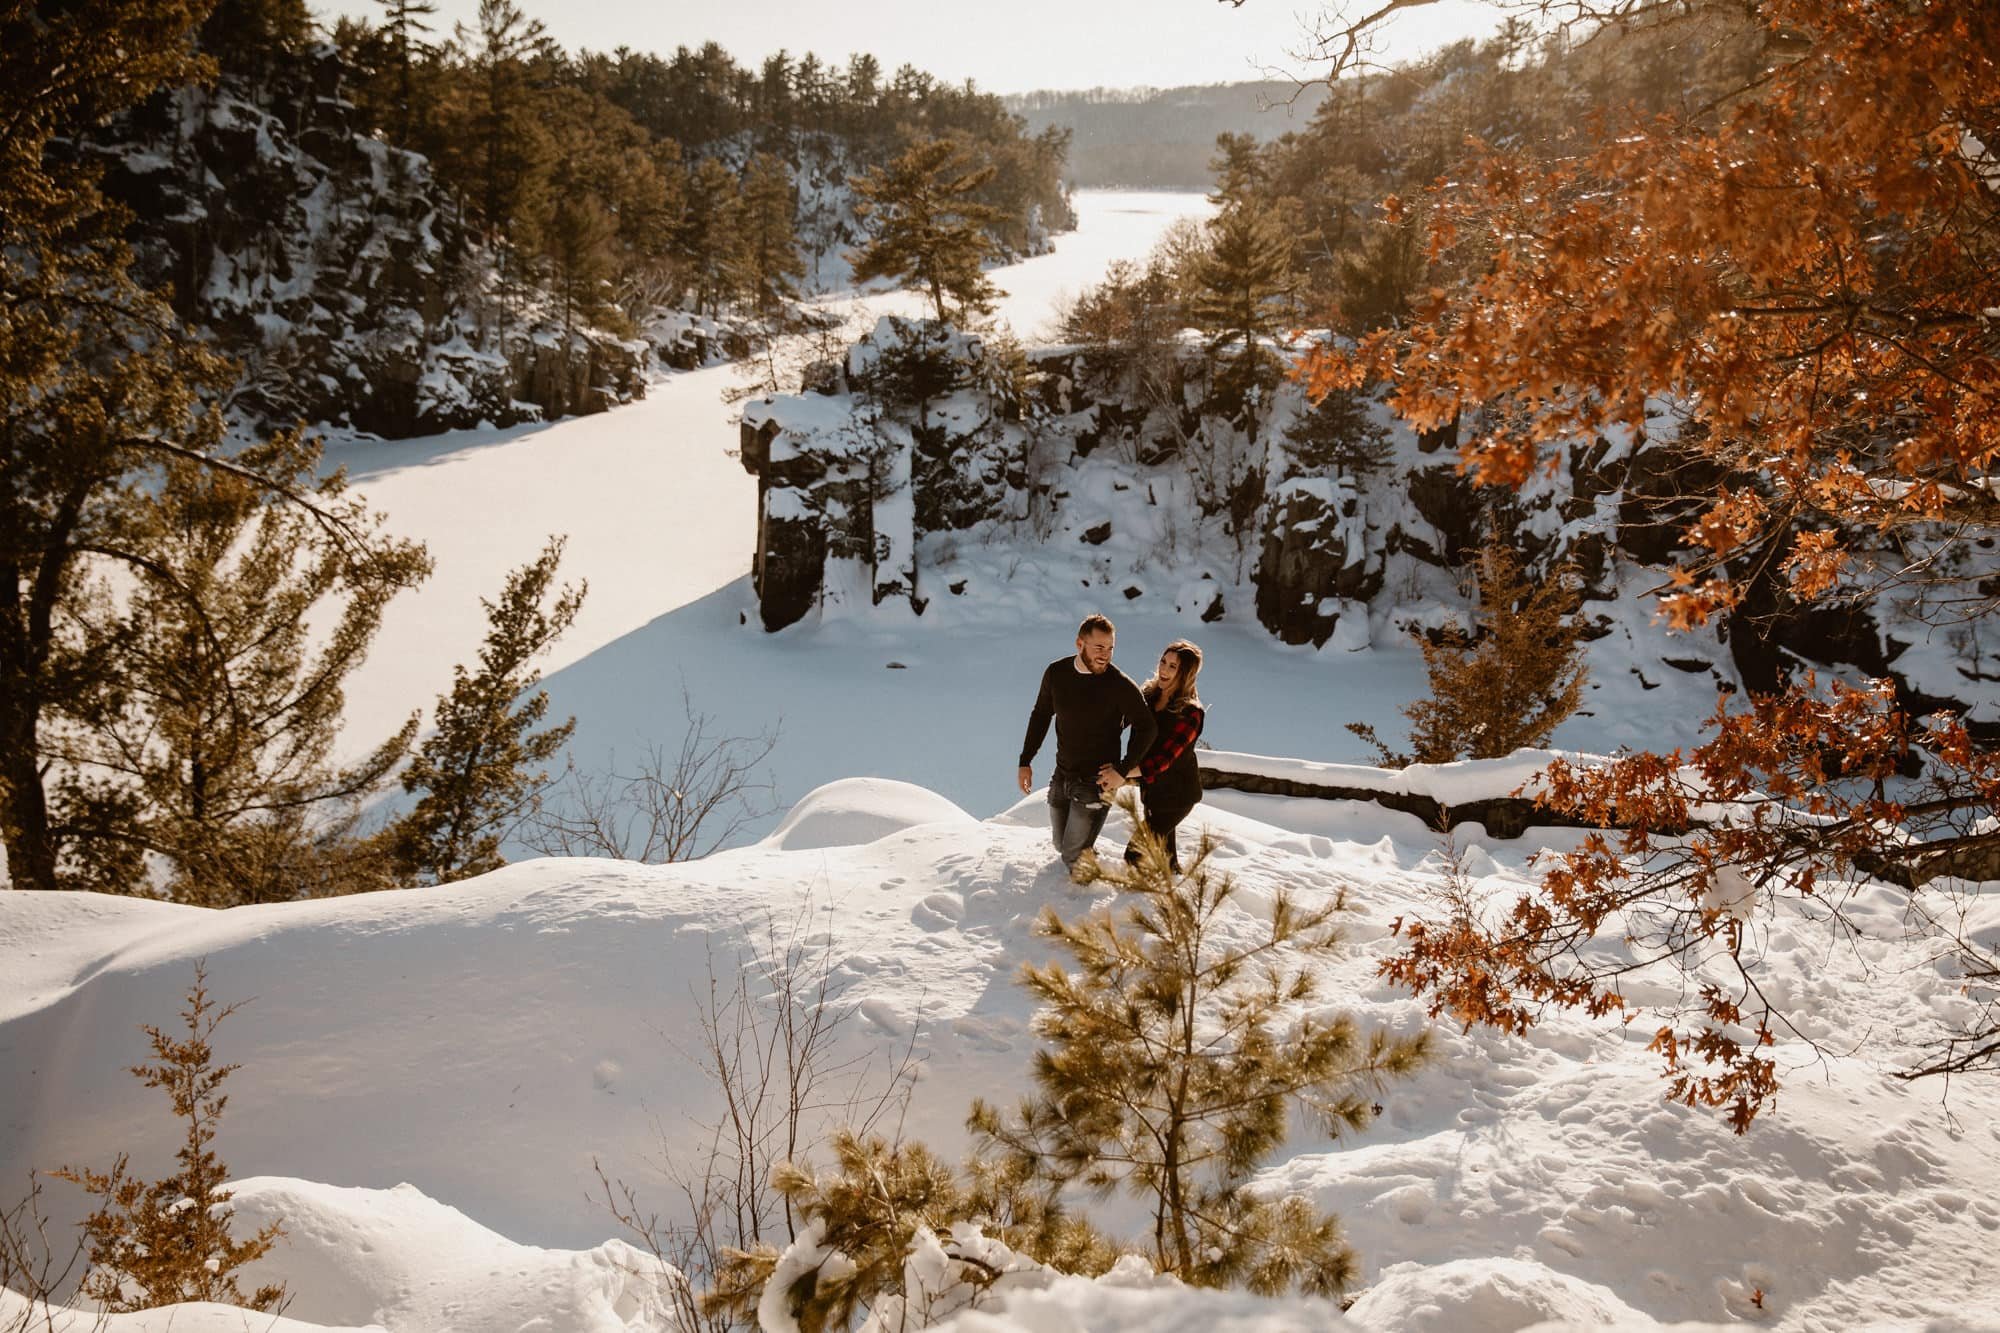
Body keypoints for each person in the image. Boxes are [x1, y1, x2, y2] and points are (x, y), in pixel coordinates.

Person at [1018, 614, 1157, 880]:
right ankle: (1086, 856)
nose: (1105, 655)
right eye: (1099, 647)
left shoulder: (1119, 685)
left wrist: (1123, 769)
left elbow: (1147, 727)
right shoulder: (1056, 673)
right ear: (1079, 644)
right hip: (1062, 774)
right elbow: (1041, 714)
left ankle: (1084, 902)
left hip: (1096, 782)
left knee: (1071, 856)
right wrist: (1026, 760)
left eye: (1110, 648)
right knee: (1061, 845)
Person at [1110, 640, 1205, 873]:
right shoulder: (1148, 696)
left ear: (1185, 674)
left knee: (1135, 854)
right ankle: (1175, 894)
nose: (1164, 669)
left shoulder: (1191, 713)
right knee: (1167, 860)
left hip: (1177, 797)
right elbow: (1117, 722)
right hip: (1152, 793)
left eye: (1173, 666)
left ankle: (1138, 904)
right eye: (1163, 662)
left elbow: (1163, 760)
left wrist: (1122, 773)